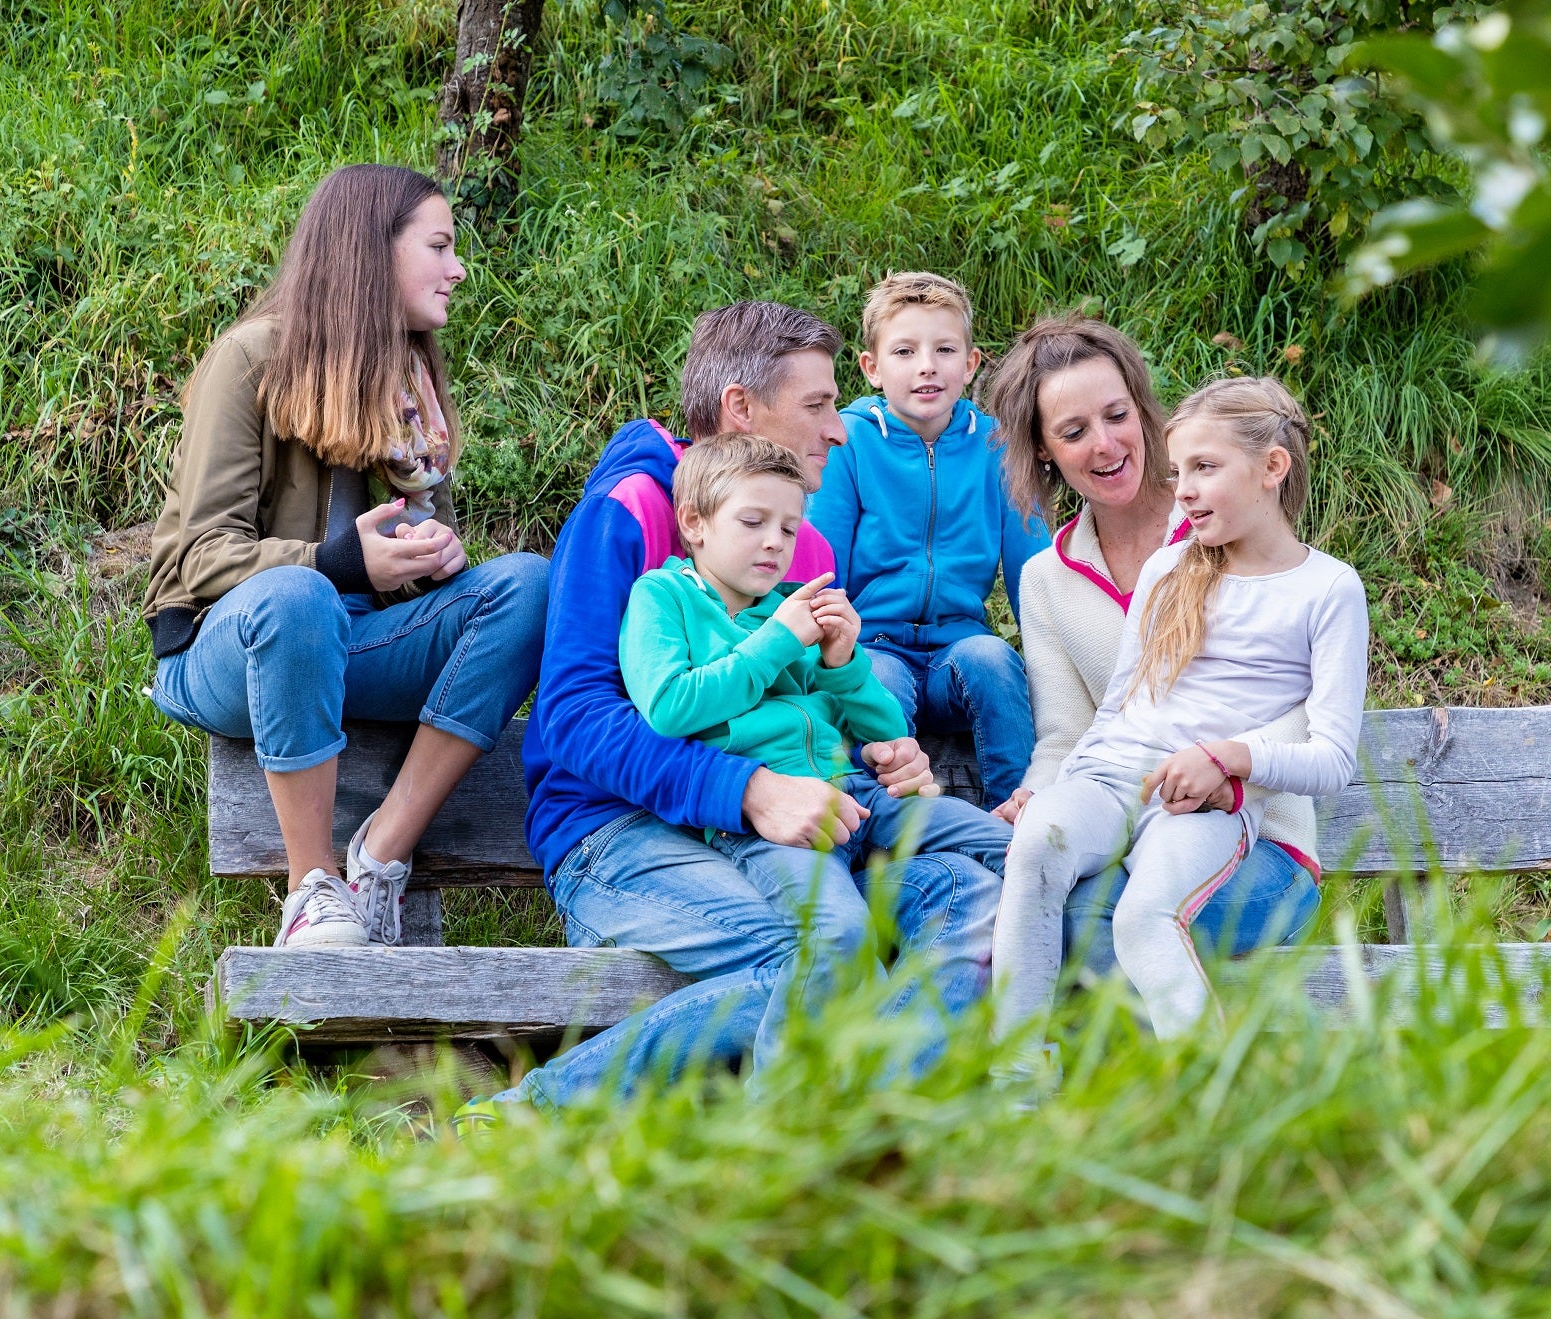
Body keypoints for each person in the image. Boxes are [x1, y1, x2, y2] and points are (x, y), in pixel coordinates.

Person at [502, 301, 999, 1111]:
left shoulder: (805, 547)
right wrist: (748, 790)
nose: (839, 429)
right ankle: (523, 1116)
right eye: (818, 405)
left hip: (801, 833)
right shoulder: (632, 511)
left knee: (974, 897)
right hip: (621, 833)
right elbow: (575, 720)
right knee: (812, 954)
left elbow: (810, 701)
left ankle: (881, 1118)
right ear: (740, 408)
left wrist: (878, 745)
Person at [142, 164, 548, 948]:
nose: (458, 268)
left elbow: (416, 579)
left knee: (530, 585)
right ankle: (311, 887)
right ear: (373, 251)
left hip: (355, 644)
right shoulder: (251, 360)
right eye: (440, 245)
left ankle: (376, 856)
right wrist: (342, 564)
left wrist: (434, 556)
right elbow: (201, 558)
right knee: (301, 597)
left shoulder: (408, 385)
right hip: (233, 650)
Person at [992, 375, 1369, 1049]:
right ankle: (1017, 1081)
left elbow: (1334, 756)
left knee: (1143, 916)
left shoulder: (1327, 589)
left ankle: (1200, 1093)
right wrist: (1049, 789)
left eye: (1204, 468)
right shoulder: (1170, 571)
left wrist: (1232, 758)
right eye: (1178, 471)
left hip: (1201, 802)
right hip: (1109, 778)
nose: (1183, 489)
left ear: (1271, 468)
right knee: (1035, 852)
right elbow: (1118, 707)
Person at [618, 433, 1009, 1051]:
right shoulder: (663, 598)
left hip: (855, 793)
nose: (775, 541)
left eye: (790, 528)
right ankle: (780, 1120)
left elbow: (882, 729)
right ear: (693, 523)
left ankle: (990, 1054)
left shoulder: (784, 607)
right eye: (753, 521)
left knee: (1010, 847)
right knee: (840, 936)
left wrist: (844, 660)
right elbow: (670, 707)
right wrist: (776, 638)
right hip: (770, 822)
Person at [808, 272, 1048, 808]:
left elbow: (1037, 577)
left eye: (944, 349)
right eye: (904, 351)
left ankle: (1019, 811)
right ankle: (876, 817)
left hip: (957, 653)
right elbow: (820, 567)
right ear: (872, 367)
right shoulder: (850, 444)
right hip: (874, 645)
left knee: (992, 659)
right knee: (879, 681)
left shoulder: (997, 447)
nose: (926, 366)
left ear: (970, 363)